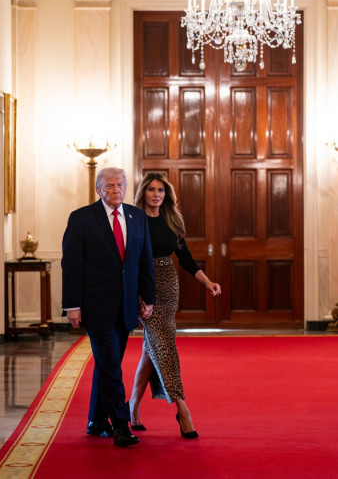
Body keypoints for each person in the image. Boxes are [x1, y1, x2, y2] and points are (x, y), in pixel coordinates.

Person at [62, 167, 156, 447]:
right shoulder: (82, 218)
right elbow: (72, 265)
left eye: (121, 185)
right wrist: (72, 306)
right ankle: (121, 426)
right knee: (112, 366)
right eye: (111, 186)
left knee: (106, 365)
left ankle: (95, 420)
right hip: (95, 306)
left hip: (126, 307)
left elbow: (143, 260)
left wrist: (147, 298)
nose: (117, 190)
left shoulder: (136, 217)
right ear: (99, 189)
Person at [127, 172, 221, 439]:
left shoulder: (172, 220)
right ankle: (182, 409)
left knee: (152, 347)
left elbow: (186, 259)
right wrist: (138, 295)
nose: (156, 194)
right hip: (145, 289)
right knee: (165, 345)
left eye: (161, 190)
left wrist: (208, 283)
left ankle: (132, 407)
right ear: (143, 192)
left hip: (168, 285)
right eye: (151, 189)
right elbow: (130, 259)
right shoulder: (134, 220)